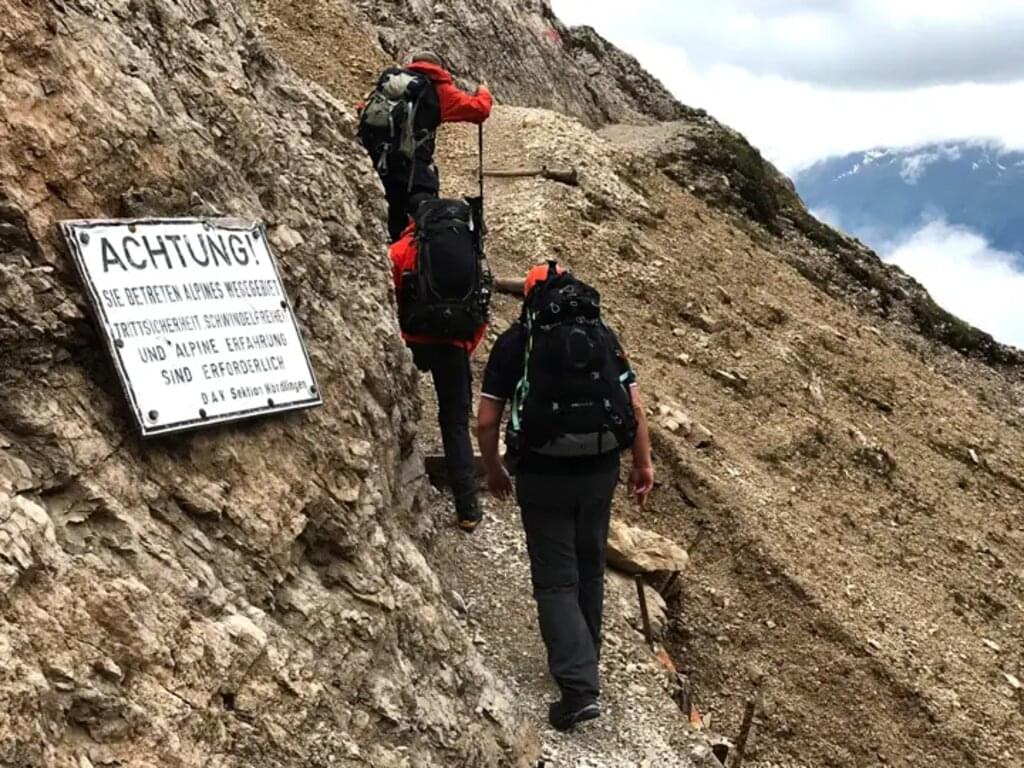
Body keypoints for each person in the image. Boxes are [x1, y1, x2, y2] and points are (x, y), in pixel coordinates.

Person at [476, 263, 655, 731]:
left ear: (528, 299)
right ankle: (585, 656)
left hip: (542, 472)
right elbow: (633, 406)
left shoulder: (517, 342)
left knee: (556, 579)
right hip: (599, 468)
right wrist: (643, 464)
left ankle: (578, 689)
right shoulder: (604, 334)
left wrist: (494, 468)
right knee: (589, 565)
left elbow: (486, 419)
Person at [390, 195, 489, 532]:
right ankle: (468, 509)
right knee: (455, 423)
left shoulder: (404, 249)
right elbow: (480, 306)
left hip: (411, 340)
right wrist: (465, 345)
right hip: (453, 345)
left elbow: (386, 295)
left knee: (395, 410)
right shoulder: (469, 252)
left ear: (413, 218)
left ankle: (396, 484)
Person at [359, 51, 493, 242]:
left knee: (391, 221)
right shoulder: (438, 89)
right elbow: (480, 110)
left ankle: (391, 261)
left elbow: (364, 110)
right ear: (440, 67)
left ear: (412, 63)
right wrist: (483, 91)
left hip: (378, 164)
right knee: (426, 224)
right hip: (415, 172)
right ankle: (417, 265)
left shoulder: (392, 84)